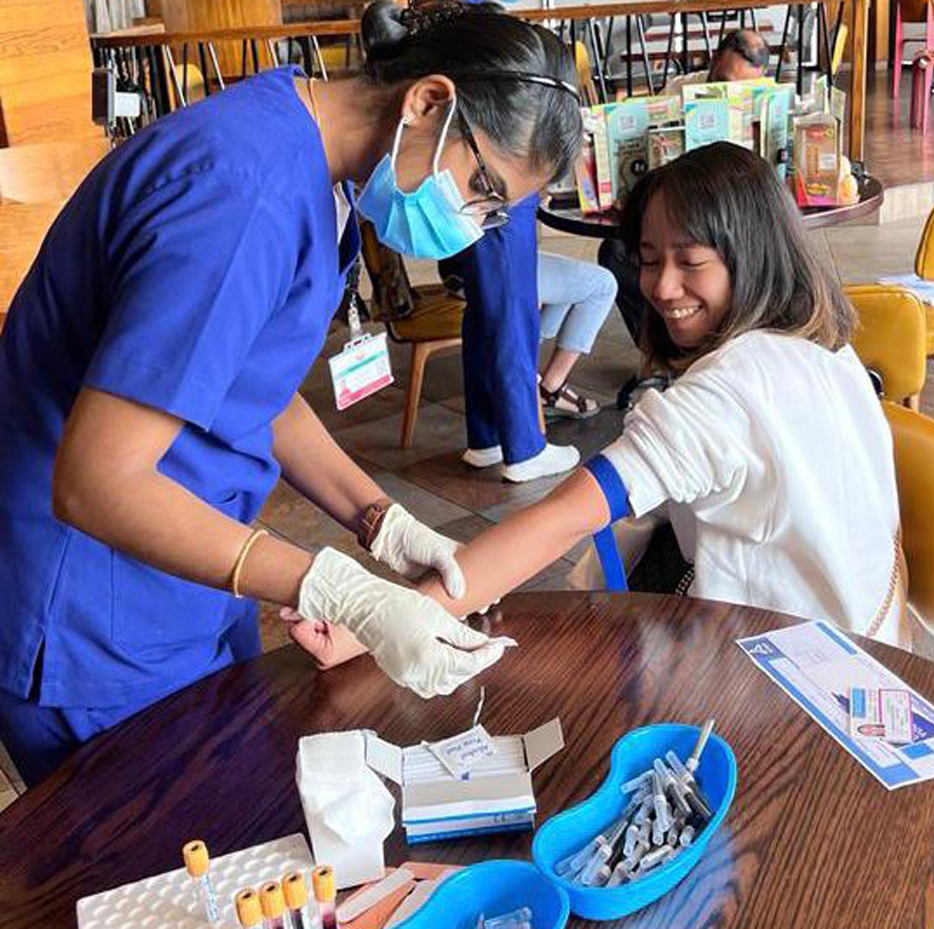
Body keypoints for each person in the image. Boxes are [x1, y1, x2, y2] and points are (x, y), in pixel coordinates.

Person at [0, 0, 582, 786]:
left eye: (493, 213)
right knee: (158, 865)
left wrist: (380, 520)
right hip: (93, 610)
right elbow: (96, 481)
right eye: (481, 188)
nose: (474, 226)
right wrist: (333, 586)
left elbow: (244, 381)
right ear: (427, 101)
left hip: (188, 571)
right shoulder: (242, 196)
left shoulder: (307, 156)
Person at [412, 143, 906, 647]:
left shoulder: (727, 392)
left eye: (691, 261)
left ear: (753, 255)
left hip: (789, 671)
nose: (664, 287)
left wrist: (396, 615)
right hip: (871, 640)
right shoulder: (826, 347)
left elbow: (559, 519)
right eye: (649, 261)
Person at [600, 29, 771, 351]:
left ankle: (724, 344)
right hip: (683, 206)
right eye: (723, 81)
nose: (729, 94)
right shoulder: (679, 90)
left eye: (743, 87)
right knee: (616, 251)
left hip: (735, 211)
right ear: (715, 61)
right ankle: (657, 353)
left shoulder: (765, 100)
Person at [440, 194, 618, 482]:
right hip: (502, 203)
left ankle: (487, 438)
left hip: (470, 227)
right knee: (512, 325)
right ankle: (526, 451)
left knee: (483, 322)